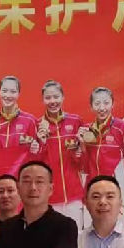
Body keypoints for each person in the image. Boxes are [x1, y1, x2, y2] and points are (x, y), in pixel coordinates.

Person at [79, 87, 124, 218]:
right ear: (91, 106)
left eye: (106, 103)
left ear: (113, 104)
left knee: (116, 229)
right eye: (97, 103)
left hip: (115, 193)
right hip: (93, 193)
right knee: (92, 229)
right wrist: (82, 146)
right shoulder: (87, 131)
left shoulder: (122, 128)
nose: (102, 108)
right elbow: (84, 167)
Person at [35, 80, 85, 228]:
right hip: (50, 197)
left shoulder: (76, 121)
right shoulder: (38, 125)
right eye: (48, 98)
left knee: (76, 236)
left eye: (56, 97)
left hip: (74, 195)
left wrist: (80, 150)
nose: (52, 101)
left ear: (63, 97)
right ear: (43, 100)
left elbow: (83, 161)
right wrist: (41, 141)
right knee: (52, 238)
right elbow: (35, 163)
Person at [0, 76, 41, 155]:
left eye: (13, 92)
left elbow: (38, 153)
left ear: (18, 94)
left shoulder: (30, 121)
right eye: (4, 91)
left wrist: (36, 149)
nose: (8, 96)